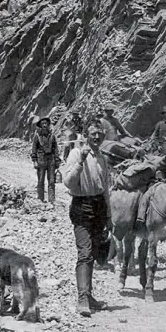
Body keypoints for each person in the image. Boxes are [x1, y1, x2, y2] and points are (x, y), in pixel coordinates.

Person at [63, 120, 111, 317]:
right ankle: (82, 298)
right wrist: (81, 162)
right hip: (81, 205)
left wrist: (108, 215)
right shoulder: (76, 153)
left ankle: (89, 295)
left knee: (94, 251)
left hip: (99, 206)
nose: (97, 137)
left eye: (100, 134)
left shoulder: (101, 157)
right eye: (93, 134)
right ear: (86, 135)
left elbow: (105, 187)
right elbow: (68, 182)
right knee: (84, 252)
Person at [30, 115, 58, 204]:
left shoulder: (52, 135)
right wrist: (34, 161)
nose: (45, 125)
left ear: (48, 124)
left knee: (52, 181)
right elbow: (34, 148)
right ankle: (40, 199)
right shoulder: (37, 136)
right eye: (43, 124)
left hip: (51, 160)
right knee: (41, 180)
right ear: (41, 125)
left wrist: (57, 160)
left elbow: (56, 148)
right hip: (41, 159)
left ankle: (52, 200)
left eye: (46, 123)